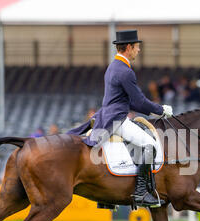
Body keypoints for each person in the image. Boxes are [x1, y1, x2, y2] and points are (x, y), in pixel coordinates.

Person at [66, 30, 172, 207]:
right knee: (150, 145)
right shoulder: (125, 71)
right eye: (137, 47)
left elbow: (131, 102)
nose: (138, 50)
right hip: (117, 119)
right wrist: (160, 109)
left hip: (109, 115)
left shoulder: (113, 66)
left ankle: (106, 198)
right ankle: (140, 193)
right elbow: (139, 101)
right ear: (129, 47)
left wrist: (156, 110)